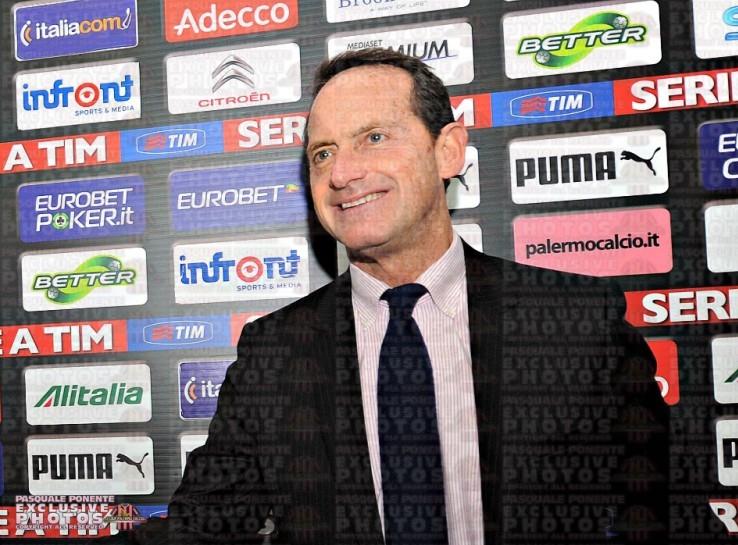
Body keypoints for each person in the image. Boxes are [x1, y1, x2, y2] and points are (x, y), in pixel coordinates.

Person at [118, 48, 669, 544]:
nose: (342, 173)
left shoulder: (575, 322)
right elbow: (204, 527)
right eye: (323, 154)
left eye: (374, 138)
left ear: (448, 150)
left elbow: (664, 513)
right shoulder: (274, 351)